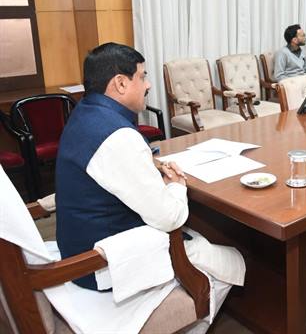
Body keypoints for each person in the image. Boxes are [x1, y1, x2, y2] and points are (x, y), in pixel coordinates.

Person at [55, 42, 245, 291]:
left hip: (78, 246)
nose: (148, 85)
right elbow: (170, 218)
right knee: (235, 259)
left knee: (205, 235)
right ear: (120, 83)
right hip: (103, 263)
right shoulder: (118, 137)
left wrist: (147, 163)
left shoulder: (86, 112)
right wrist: (176, 185)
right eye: (142, 77)